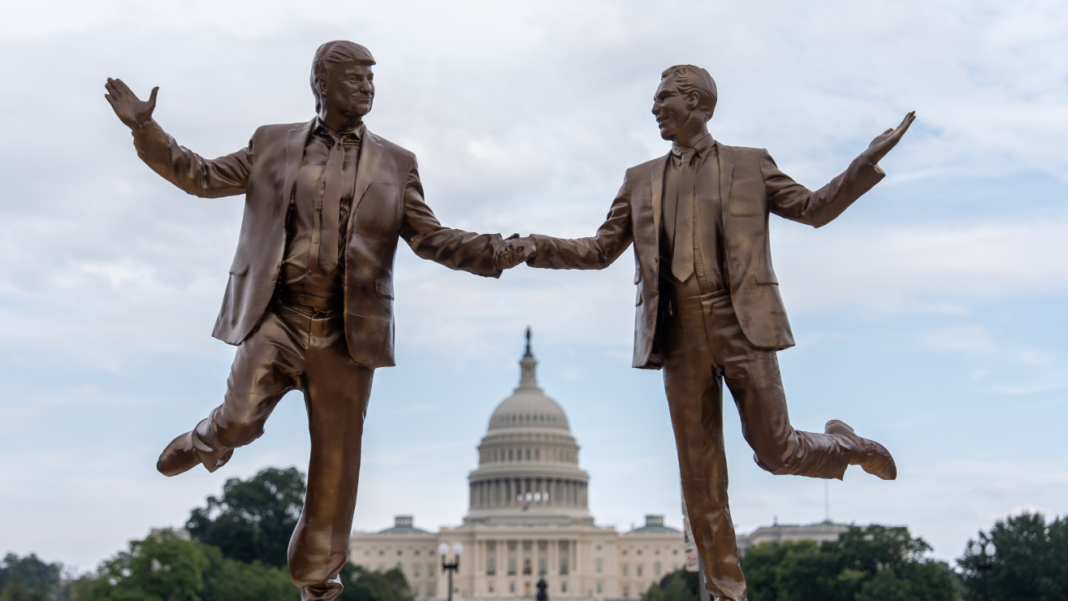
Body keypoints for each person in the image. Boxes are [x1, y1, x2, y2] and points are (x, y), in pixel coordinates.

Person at [494, 64, 915, 601]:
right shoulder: (639, 178)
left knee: (775, 451)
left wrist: (862, 164)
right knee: (701, 479)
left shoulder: (750, 164)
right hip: (678, 334)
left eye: (664, 97)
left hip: (741, 324)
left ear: (697, 103)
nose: (654, 108)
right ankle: (726, 593)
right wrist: (534, 246)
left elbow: (813, 210)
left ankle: (844, 446)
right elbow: (600, 250)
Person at [104, 41, 504, 601]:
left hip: (347, 334)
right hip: (278, 318)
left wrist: (495, 251)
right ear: (323, 82)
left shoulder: (396, 162)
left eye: (372, 78)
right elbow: (200, 176)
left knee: (336, 466)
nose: (368, 87)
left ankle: (318, 578)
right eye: (357, 77)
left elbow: (430, 237)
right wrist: (147, 131)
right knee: (241, 420)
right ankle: (207, 439)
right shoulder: (273, 143)